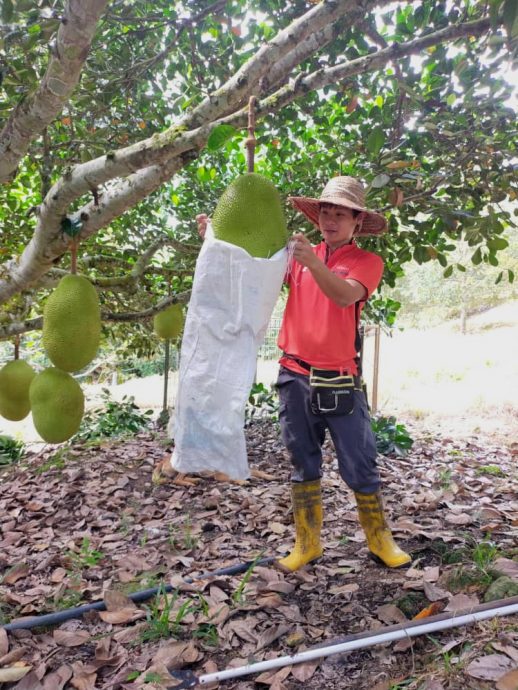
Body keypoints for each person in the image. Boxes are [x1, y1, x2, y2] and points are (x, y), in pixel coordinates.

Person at [197, 176, 411, 571]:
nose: (330, 220)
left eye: (340, 214)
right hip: (294, 374)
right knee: (302, 461)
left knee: (360, 462)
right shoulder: (297, 256)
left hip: (339, 379)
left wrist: (312, 262)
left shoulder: (366, 262)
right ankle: (307, 543)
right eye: (325, 213)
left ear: (357, 222)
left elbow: (345, 295)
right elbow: (252, 269)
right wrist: (216, 240)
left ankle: (380, 540)